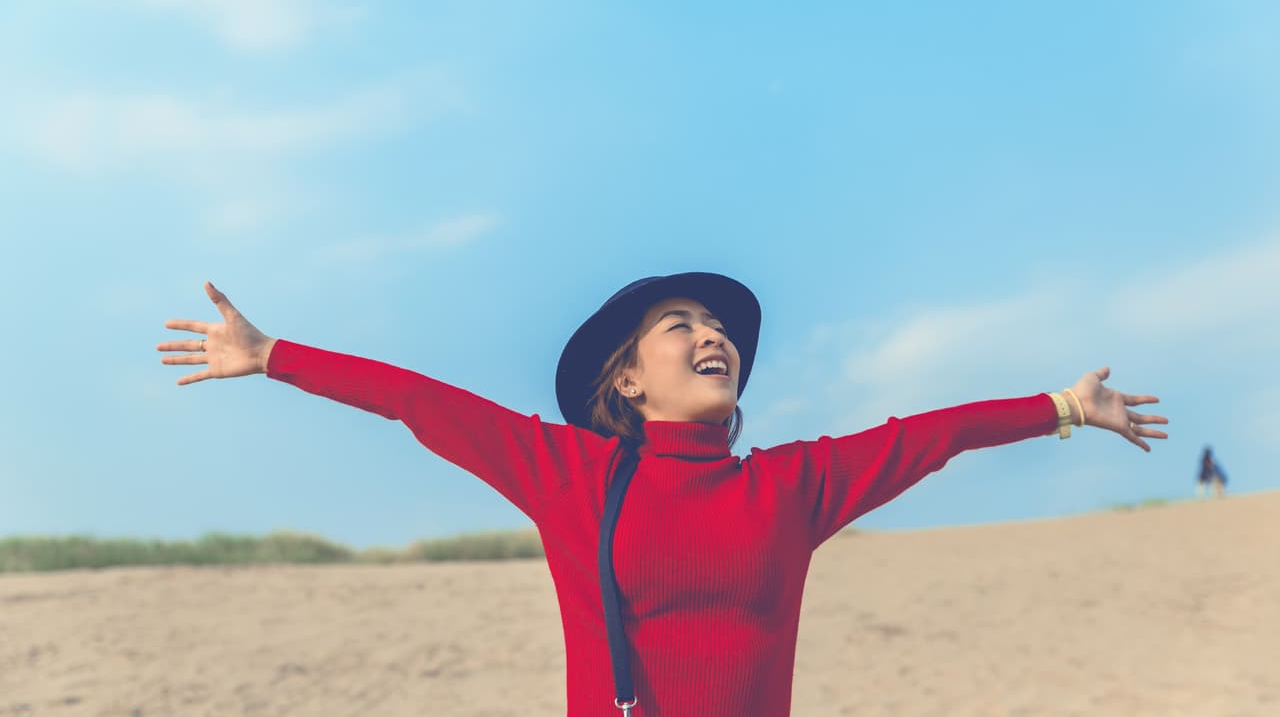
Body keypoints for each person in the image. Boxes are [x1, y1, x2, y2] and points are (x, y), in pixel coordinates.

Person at [157, 273, 1169, 716]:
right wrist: (274, 354)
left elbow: (928, 437)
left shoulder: (793, 484)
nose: (710, 334)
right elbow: (420, 403)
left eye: (716, 326)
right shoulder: (573, 474)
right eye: (679, 323)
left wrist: (1061, 407)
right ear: (627, 379)